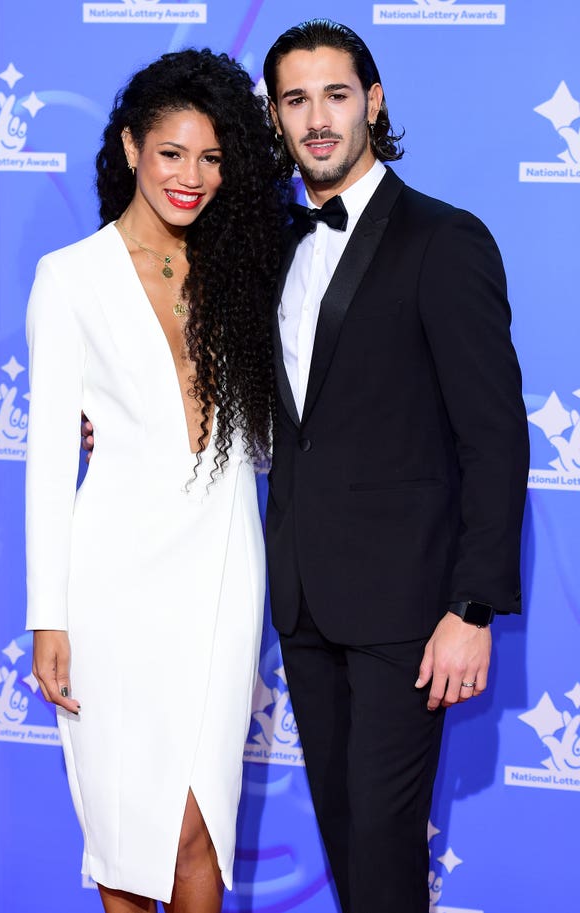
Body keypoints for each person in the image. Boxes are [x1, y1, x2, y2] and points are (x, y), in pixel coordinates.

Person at [260, 18, 529, 913]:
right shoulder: (267, 248)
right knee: (347, 838)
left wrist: (472, 607)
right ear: (275, 118)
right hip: (301, 598)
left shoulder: (444, 241)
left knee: (381, 848)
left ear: (373, 102)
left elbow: (493, 438)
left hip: (408, 613)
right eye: (296, 100)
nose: (319, 118)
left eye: (336, 95)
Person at [25, 49, 286, 913]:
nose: (192, 176)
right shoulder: (70, 277)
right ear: (132, 147)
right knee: (128, 830)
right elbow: (46, 460)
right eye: (172, 152)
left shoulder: (239, 269)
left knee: (195, 823)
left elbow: (268, 430)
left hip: (220, 561)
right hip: (114, 578)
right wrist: (47, 614)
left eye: (212, 157)